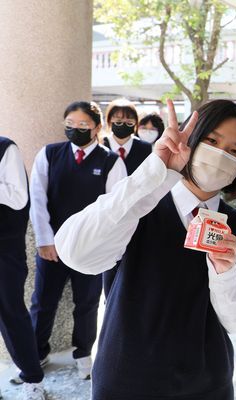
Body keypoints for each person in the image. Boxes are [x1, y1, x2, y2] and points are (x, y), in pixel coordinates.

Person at [55, 99, 236, 399]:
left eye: (235, 152)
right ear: (190, 140)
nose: (220, 156)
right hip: (127, 380)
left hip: (207, 384)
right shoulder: (138, 203)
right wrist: (153, 174)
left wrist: (225, 271)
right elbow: (75, 252)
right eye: (212, 141)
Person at [28, 101, 127, 381]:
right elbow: (37, 199)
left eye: (83, 125)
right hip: (52, 247)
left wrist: (102, 247)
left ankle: (83, 353)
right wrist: (44, 240)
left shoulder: (111, 161)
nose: (75, 130)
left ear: (97, 128)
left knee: (87, 303)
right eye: (70, 125)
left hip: (90, 250)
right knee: (43, 301)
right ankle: (36, 353)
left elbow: (115, 208)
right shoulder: (49, 154)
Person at [0, 137, 46, 399]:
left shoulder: (5, 148)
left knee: (11, 314)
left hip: (4, 251)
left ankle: (33, 379)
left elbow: (18, 197)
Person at [101, 98, 152, 296]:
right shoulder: (101, 146)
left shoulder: (145, 149)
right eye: (118, 120)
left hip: (136, 215)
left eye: (129, 121)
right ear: (109, 121)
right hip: (107, 216)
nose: (123, 125)